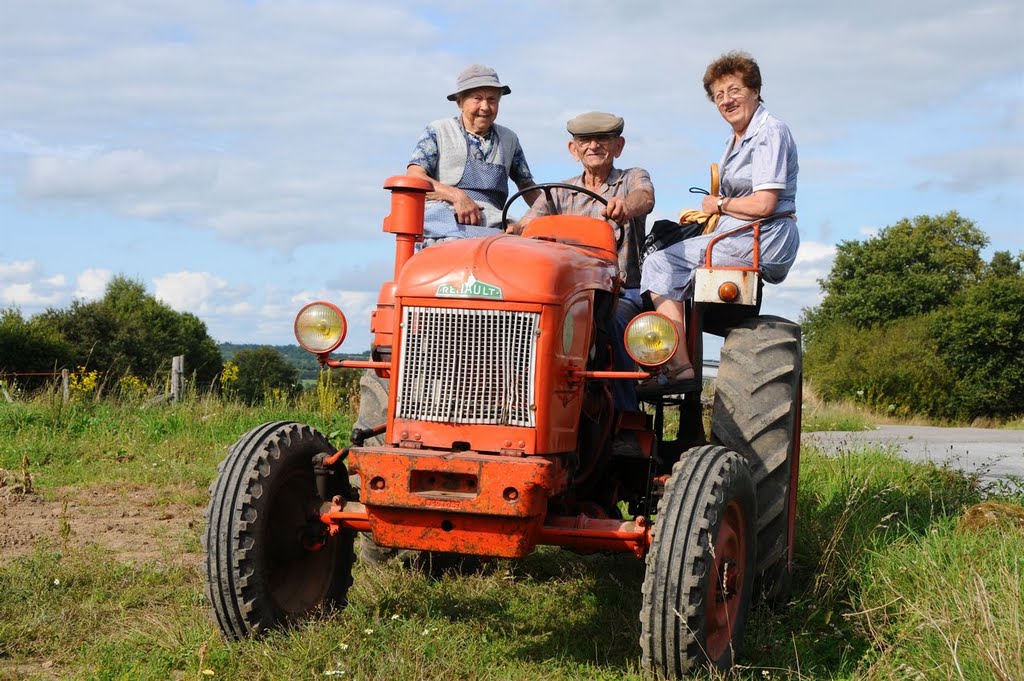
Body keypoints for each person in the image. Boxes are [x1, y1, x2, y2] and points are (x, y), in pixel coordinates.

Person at [640, 51, 799, 389]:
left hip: (762, 235)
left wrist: (719, 204)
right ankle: (676, 346)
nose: (727, 100)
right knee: (662, 247)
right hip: (740, 232)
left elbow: (765, 203)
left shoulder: (770, 132)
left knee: (659, 265)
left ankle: (678, 367)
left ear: (754, 90)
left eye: (734, 90)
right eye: (719, 95)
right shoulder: (736, 137)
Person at [512, 111, 656, 411]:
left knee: (613, 323)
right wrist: (513, 230)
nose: (593, 146)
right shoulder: (558, 194)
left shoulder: (631, 179)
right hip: (567, 295)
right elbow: (528, 224)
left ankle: (624, 416)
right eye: (584, 140)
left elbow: (645, 197)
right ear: (573, 150)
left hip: (618, 290)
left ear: (618, 146)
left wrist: (625, 206)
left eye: (602, 139)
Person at [407, 64, 537, 245]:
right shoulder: (438, 131)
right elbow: (414, 177)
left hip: (492, 224)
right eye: (477, 98)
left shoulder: (509, 139)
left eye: (492, 99)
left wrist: (548, 215)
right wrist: (456, 196)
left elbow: (528, 187)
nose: (485, 107)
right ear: (459, 102)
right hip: (444, 221)